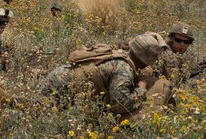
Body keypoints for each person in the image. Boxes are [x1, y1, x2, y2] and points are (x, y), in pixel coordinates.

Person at [40, 32, 168, 118]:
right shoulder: (124, 69)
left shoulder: (119, 53)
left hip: (57, 77)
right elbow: (119, 105)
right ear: (145, 60)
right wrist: (141, 90)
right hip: (59, 92)